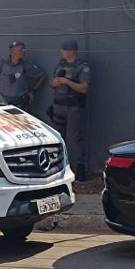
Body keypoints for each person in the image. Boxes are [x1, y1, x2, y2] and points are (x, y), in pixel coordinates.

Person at [48, 39, 91, 181]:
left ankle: (80, 168)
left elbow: (84, 88)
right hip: (58, 106)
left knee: (75, 138)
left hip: (73, 107)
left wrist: (66, 82)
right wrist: (55, 82)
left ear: (71, 51)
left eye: (64, 49)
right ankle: (58, 167)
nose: (61, 52)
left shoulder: (82, 67)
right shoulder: (60, 64)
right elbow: (52, 82)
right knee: (58, 138)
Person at [0, 40, 46, 110]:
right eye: (20, 49)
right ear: (12, 51)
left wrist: (32, 91)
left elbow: (42, 75)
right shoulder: (2, 64)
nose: (23, 51)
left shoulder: (26, 65)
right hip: (3, 102)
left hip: (19, 102)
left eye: (23, 49)